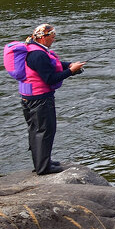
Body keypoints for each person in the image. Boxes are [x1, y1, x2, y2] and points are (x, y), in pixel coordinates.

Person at [17, 23, 84, 175]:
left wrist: (69, 65)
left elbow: (51, 64)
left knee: (36, 131)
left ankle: (42, 161)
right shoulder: (38, 55)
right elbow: (50, 78)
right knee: (45, 131)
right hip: (40, 100)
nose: (54, 39)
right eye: (52, 37)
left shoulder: (33, 49)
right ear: (43, 37)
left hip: (30, 98)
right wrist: (71, 72)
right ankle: (43, 168)